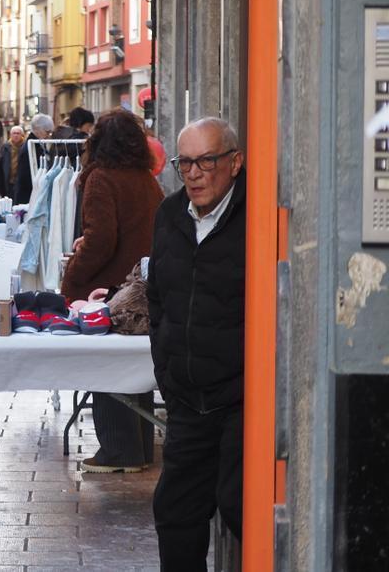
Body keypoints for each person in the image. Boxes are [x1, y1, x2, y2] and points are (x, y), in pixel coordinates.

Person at [148, 117, 246, 570]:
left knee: (240, 507)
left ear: (234, 162)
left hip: (240, 400)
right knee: (175, 511)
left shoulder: (257, 219)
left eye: (207, 160)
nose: (194, 173)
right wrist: (166, 372)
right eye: (184, 162)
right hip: (187, 398)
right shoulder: (169, 215)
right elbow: (158, 301)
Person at [59, 109, 163, 473]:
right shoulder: (147, 179)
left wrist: (73, 271)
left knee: (104, 365)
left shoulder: (100, 178)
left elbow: (101, 239)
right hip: (141, 289)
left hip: (109, 292)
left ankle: (119, 452)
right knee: (134, 373)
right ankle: (140, 448)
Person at [14, 113, 54, 204]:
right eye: (47, 132)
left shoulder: (36, 145)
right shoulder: (30, 147)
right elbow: (26, 177)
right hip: (28, 197)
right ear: (38, 129)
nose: (49, 135)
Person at [6, 125, 26, 198]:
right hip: (9, 181)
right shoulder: (6, 147)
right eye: (14, 133)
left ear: (22, 135)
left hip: (21, 181)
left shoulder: (26, 146)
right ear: (11, 135)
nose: (16, 135)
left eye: (18, 133)